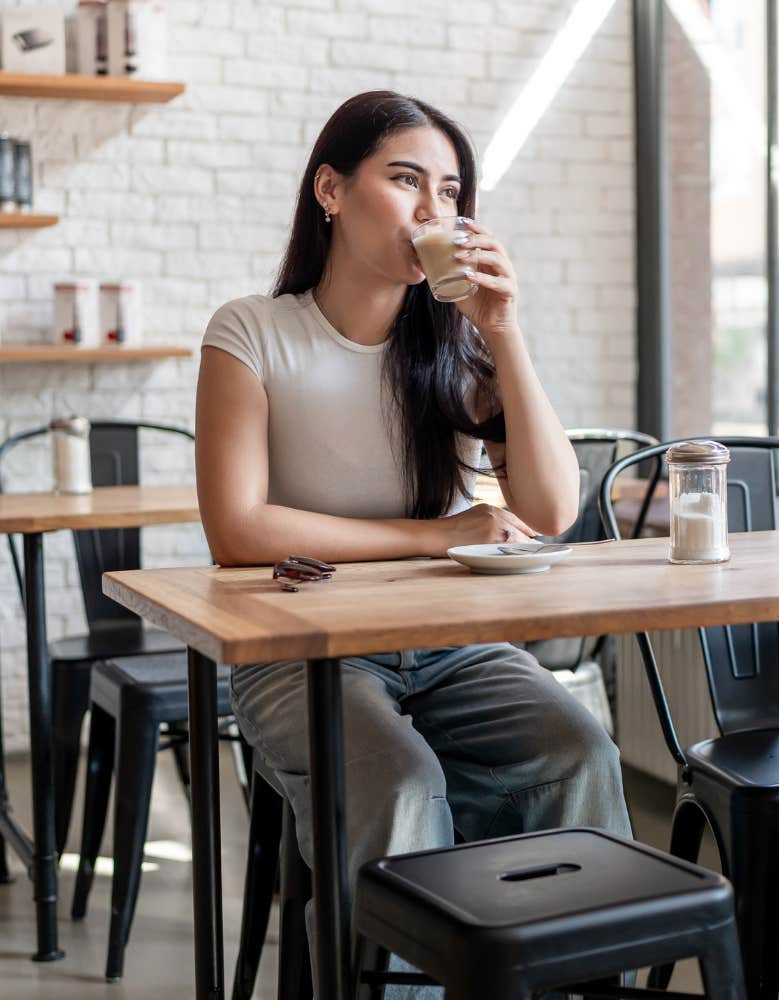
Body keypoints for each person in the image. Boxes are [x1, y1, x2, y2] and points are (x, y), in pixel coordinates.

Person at [195, 90, 631, 997]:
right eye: (405, 181)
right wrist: (435, 536)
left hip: (448, 645)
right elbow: (238, 531)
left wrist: (506, 334)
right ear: (330, 189)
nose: (434, 210)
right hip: (299, 653)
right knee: (397, 783)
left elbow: (550, 510)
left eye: (451, 190)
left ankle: (568, 979)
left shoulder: (456, 351)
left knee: (577, 751)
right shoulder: (252, 333)